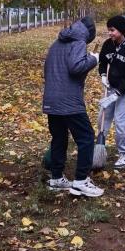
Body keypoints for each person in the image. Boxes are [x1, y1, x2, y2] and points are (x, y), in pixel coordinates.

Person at [42, 15, 104, 197]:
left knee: (59, 137)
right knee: (86, 137)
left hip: (51, 99)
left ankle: (56, 178)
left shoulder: (57, 43)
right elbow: (76, 67)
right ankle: (80, 181)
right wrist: (94, 58)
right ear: (88, 34)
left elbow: (48, 68)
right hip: (68, 101)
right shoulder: (78, 42)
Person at [98, 15, 125, 168]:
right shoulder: (108, 45)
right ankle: (99, 150)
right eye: (108, 30)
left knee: (121, 125)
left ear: (121, 31)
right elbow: (103, 62)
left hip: (123, 92)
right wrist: (103, 75)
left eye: (112, 30)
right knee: (102, 121)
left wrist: (117, 94)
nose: (110, 33)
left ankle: (124, 155)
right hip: (109, 89)